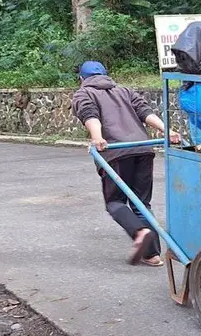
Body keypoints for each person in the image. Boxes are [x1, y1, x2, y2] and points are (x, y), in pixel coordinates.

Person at [71, 61, 181, 267]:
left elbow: (89, 114)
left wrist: (97, 137)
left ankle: (139, 232)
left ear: (81, 79)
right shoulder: (124, 90)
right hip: (142, 150)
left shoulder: (83, 94)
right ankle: (152, 255)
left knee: (115, 202)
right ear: (106, 74)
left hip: (115, 152)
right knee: (142, 203)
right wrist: (166, 130)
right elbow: (145, 111)